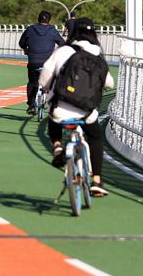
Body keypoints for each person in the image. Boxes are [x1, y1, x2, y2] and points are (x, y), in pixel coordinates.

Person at [38, 17, 114, 197]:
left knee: (53, 115)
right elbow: (110, 83)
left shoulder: (63, 50)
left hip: (61, 107)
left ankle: (57, 147)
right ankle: (96, 180)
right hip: (87, 111)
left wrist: (49, 89)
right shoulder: (97, 55)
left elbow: (45, 78)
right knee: (95, 138)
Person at [18, 11, 64, 115]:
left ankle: (31, 105)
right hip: (48, 63)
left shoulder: (30, 29)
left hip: (33, 61)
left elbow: (21, 43)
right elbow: (62, 44)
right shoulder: (52, 30)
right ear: (50, 21)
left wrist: (26, 49)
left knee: (32, 82)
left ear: (38, 20)